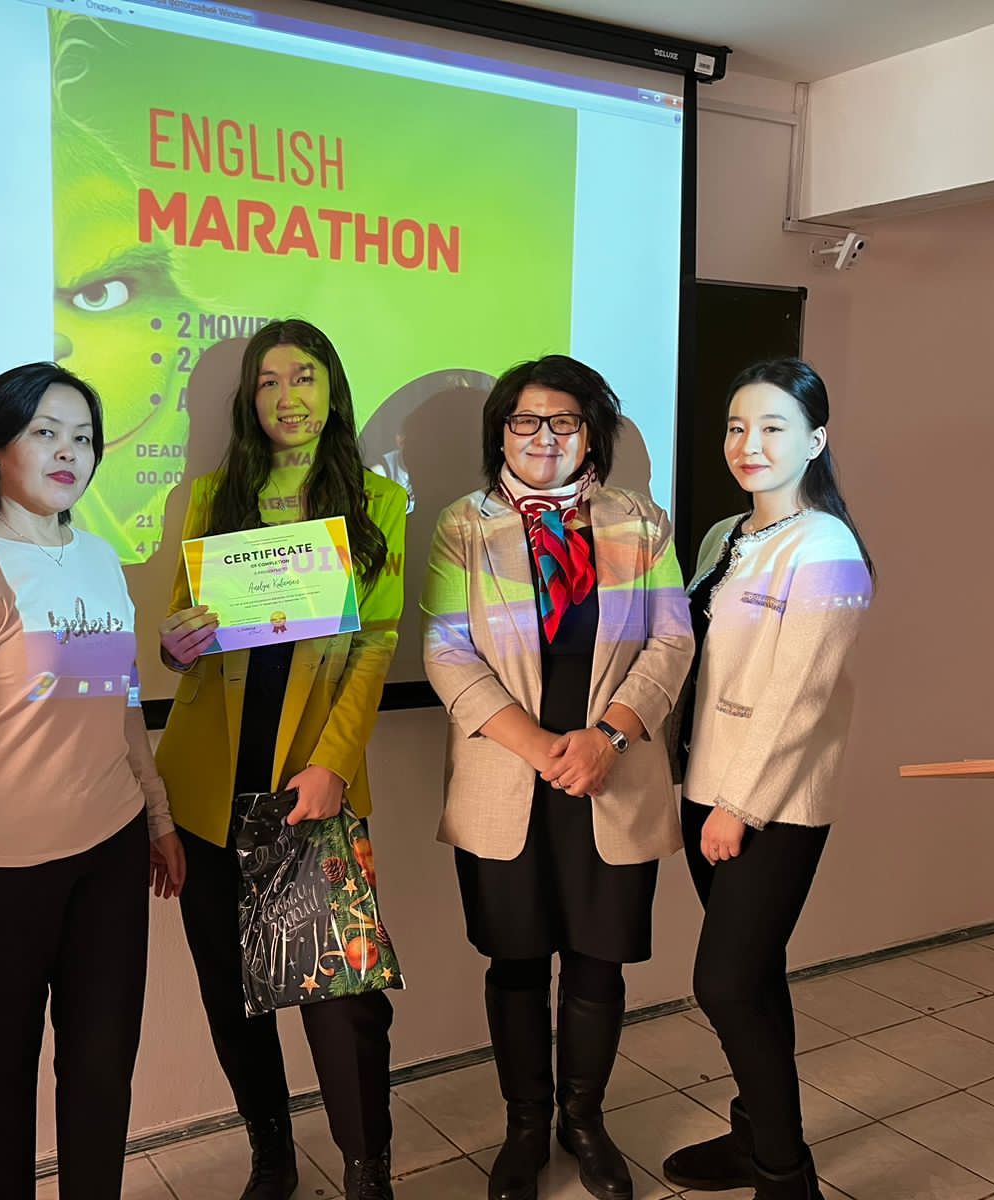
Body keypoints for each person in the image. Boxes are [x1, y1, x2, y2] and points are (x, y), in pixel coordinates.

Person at [0, 362, 185, 1200]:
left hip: (110, 857)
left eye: (82, 437)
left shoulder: (98, 558)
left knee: (101, 1073)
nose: (68, 452)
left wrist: (157, 817)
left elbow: (119, 703)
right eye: (44, 432)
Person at [421, 355, 693, 1200]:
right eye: (525, 422)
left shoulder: (641, 523)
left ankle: (585, 1120)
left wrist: (608, 737)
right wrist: (542, 749)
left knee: (597, 964)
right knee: (514, 964)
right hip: (508, 776)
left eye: (564, 421)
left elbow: (673, 640)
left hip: (613, 773)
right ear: (501, 433)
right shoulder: (462, 526)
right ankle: (525, 1127)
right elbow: (446, 651)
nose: (544, 438)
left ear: (591, 433)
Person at [154, 319, 408, 1200]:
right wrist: (175, 645)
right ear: (248, 399)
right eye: (268, 381)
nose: (286, 396)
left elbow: (375, 646)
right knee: (231, 992)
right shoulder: (210, 496)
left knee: (343, 1001)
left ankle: (367, 1171)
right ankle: (273, 1154)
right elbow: (181, 637)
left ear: (332, 390)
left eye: (303, 377)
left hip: (312, 785)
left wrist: (333, 763)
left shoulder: (377, 502)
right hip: (209, 787)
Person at [661, 359, 874, 1200]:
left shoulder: (825, 548)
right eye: (736, 427)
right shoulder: (725, 534)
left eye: (774, 428)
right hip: (702, 786)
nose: (748, 444)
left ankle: (787, 1179)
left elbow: (799, 699)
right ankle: (757, 1136)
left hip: (769, 805)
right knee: (752, 978)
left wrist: (739, 807)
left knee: (723, 982)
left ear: (815, 441)